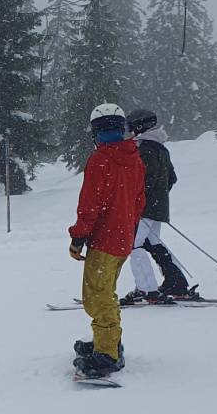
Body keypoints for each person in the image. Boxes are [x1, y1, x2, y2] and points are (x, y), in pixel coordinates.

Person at [68, 103, 147, 380]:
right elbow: (139, 201)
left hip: (104, 241)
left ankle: (108, 355)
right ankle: (107, 341)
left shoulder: (101, 159)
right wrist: (128, 227)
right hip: (122, 239)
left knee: (97, 298)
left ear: (96, 132)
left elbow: (89, 205)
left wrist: (78, 237)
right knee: (106, 293)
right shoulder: (133, 157)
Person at [120, 108, 194, 305]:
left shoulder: (142, 149)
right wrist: (158, 198)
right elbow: (172, 178)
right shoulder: (161, 148)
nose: (129, 131)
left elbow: (143, 181)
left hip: (143, 208)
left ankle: (147, 289)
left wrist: (136, 200)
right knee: (153, 243)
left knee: (133, 245)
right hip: (157, 208)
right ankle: (176, 283)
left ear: (139, 126)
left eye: (130, 127)